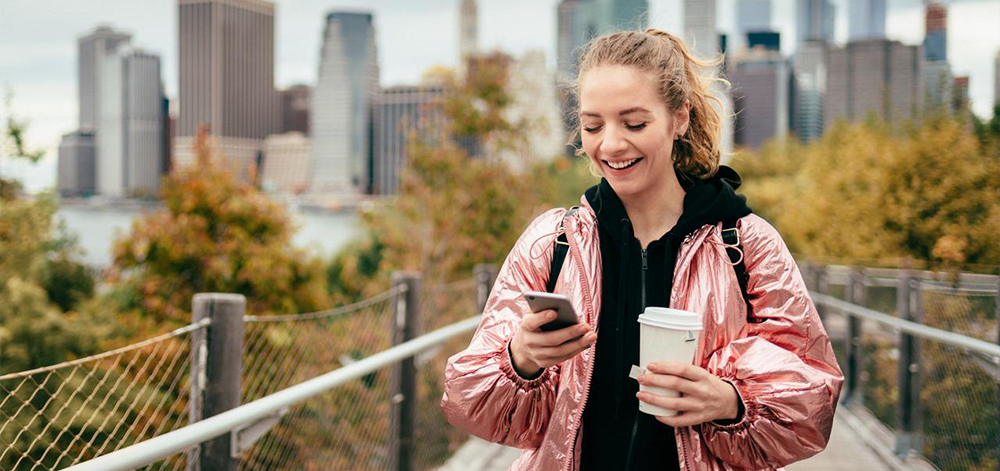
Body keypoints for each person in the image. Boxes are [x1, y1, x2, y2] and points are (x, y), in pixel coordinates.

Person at [441, 28, 844, 471]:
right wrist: (522, 358)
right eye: (593, 125)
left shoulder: (747, 245)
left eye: (634, 123)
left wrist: (731, 401)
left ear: (679, 118)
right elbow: (469, 402)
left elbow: (814, 402)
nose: (610, 144)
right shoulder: (550, 242)